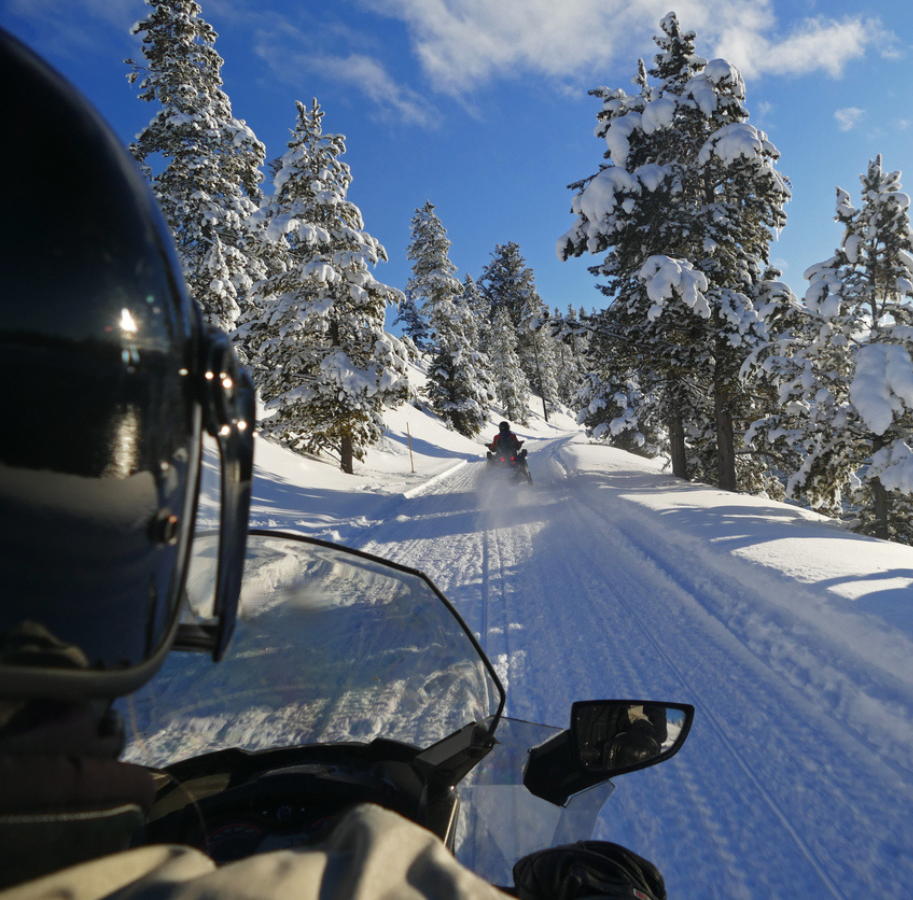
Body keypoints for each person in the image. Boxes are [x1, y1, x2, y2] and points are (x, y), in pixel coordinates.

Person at [0, 29, 659, 900]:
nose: (501, 439)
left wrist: (514, 457)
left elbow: (513, 447)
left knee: (516, 469)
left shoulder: (506, 439)